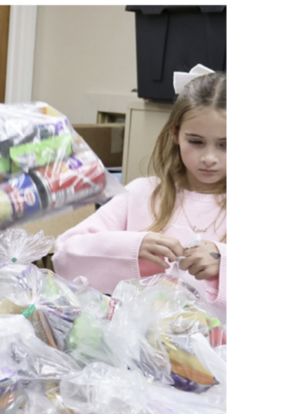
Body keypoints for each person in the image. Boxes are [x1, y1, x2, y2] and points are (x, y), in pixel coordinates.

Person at [53, 70, 226, 323]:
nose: (209, 158)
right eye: (196, 141)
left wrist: (224, 264)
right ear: (175, 134)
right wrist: (132, 247)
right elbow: (65, 256)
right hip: (129, 350)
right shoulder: (142, 194)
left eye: (226, 144)